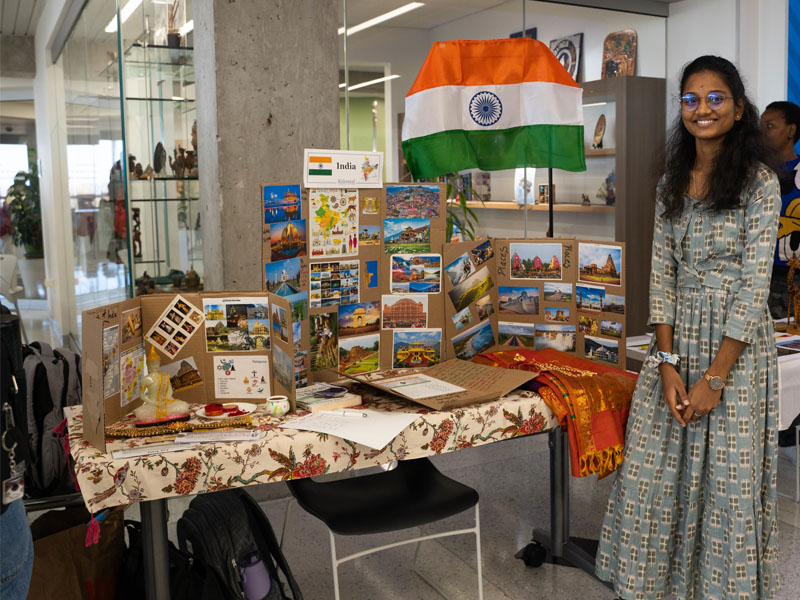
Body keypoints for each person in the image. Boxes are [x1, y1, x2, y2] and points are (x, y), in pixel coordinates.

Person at [595, 55, 782, 599]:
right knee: (653, 473)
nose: (703, 109)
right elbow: (662, 273)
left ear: (739, 108)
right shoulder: (670, 183)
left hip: (736, 348)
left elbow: (752, 289)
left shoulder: (760, 184)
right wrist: (669, 363)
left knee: (727, 482)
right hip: (676, 344)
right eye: (692, 100)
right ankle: (660, 584)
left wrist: (715, 377)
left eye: (716, 98)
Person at [761, 100, 800, 319]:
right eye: (761, 127)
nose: (762, 133)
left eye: (770, 126)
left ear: (791, 130)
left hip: (796, 276)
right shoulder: (753, 172)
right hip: (761, 275)